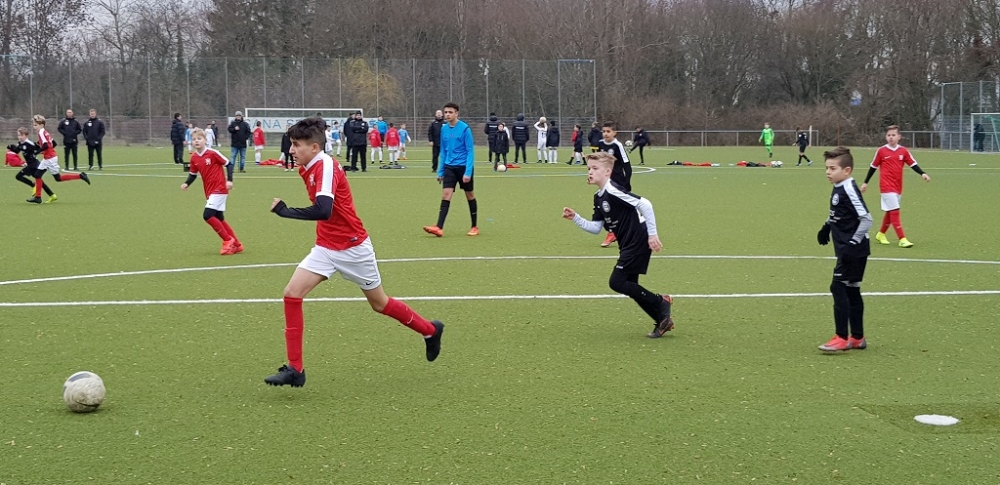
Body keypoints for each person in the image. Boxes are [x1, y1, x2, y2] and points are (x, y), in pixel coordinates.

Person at [264, 117, 444, 387]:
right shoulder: (308, 166)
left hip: (353, 247)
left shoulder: (325, 166)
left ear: (314, 147)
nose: (291, 150)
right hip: (326, 246)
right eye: (291, 144)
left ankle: (430, 330)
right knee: (292, 293)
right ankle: (295, 369)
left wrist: (286, 211)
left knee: (379, 304)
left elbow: (323, 209)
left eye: (296, 145)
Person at [562, 152, 674, 338]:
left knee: (617, 282)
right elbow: (595, 228)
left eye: (595, 168)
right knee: (630, 285)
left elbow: (645, 204)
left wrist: (652, 235)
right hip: (627, 242)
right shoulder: (599, 197)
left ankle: (661, 302)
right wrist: (575, 218)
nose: (590, 172)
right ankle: (663, 319)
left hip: (638, 239)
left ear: (607, 172)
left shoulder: (613, 190)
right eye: (589, 168)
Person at [816, 147, 871, 352]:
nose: (828, 172)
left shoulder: (848, 189)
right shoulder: (840, 186)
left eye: (833, 168)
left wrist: (852, 244)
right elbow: (839, 212)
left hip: (853, 249)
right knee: (852, 289)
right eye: (827, 168)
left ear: (847, 170)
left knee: (837, 287)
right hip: (854, 249)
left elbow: (866, 219)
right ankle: (857, 337)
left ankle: (841, 337)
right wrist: (827, 227)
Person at [860, 125, 931, 248]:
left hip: (897, 187)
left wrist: (922, 173)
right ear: (886, 137)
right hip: (886, 186)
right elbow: (873, 167)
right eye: (889, 135)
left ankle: (881, 234)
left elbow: (912, 163)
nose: (891, 137)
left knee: (890, 211)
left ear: (899, 137)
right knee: (895, 211)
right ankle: (902, 239)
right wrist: (866, 182)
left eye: (893, 135)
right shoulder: (881, 151)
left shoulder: (903, 151)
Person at [181, 128, 243, 256]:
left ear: (205, 140)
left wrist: (229, 180)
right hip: (209, 191)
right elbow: (193, 174)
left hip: (220, 189)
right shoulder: (194, 158)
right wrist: (187, 183)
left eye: (199, 138)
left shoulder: (213, 153)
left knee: (207, 215)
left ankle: (228, 240)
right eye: (194, 139)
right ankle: (237, 244)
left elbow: (229, 164)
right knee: (219, 217)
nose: (196, 141)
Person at [422, 102, 478, 237]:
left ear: (456, 113)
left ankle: (474, 226)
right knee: (446, 195)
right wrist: (440, 171)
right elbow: (443, 151)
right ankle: (439, 227)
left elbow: (470, 151)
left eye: (450, 112)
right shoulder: (444, 129)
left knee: (470, 195)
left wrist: (468, 172)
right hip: (449, 167)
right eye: (446, 112)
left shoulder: (465, 129)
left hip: (463, 167)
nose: (447, 114)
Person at [26, 115, 89, 204]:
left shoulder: (41, 132)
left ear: (42, 125)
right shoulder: (45, 132)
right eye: (33, 125)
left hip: (50, 159)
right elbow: (53, 143)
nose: (34, 127)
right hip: (48, 158)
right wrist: (43, 151)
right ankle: (38, 197)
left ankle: (81, 176)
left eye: (36, 125)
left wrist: (36, 152)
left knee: (57, 178)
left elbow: (46, 145)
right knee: (37, 175)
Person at [597, 121, 633, 247]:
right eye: (604, 131)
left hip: (618, 181)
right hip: (606, 181)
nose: (605, 134)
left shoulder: (617, 145)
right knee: (608, 206)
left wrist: (627, 182)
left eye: (608, 131)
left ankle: (613, 232)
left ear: (614, 133)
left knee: (612, 206)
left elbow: (627, 165)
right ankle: (619, 230)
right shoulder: (601, 144)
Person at [9, 127, 55, 202]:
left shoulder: (29, 143)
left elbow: (39, 148)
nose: (19, 137)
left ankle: (33, 185)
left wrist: (38, 152)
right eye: (18, 135)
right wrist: (11, 148)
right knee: (40, 181)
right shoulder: (20, 143)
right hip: (31, 164)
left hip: (34, 164)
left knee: (18, 176)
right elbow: (17, 151)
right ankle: (52, 195)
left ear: (26, 135)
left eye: (21, 135)